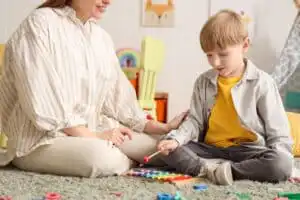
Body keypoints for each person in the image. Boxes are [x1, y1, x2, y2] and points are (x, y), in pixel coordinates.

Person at [0, 0, 187, 177]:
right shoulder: (39, 23)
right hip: (39, 140)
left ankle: (132, 158)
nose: (108, 1)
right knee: (103, 157)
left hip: (90, 132)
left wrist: (164, 127)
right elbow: (44, 107)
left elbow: (119, 99)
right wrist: (98, 137)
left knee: (164, 148)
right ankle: (131, 161)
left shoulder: (100, 37)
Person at [156, 9, 294, 185]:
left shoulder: (263, 83)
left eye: (223, 54)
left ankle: (220, 170)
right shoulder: (203, 82)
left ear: (245, 45)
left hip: (249, 150)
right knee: (166, 145)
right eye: (209, 55)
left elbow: (279, 133)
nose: (215, 62)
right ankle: (212, 169)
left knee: (281, 164)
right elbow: (195, 122)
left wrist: (281, 160)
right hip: (211, 150)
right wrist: (175, 140)